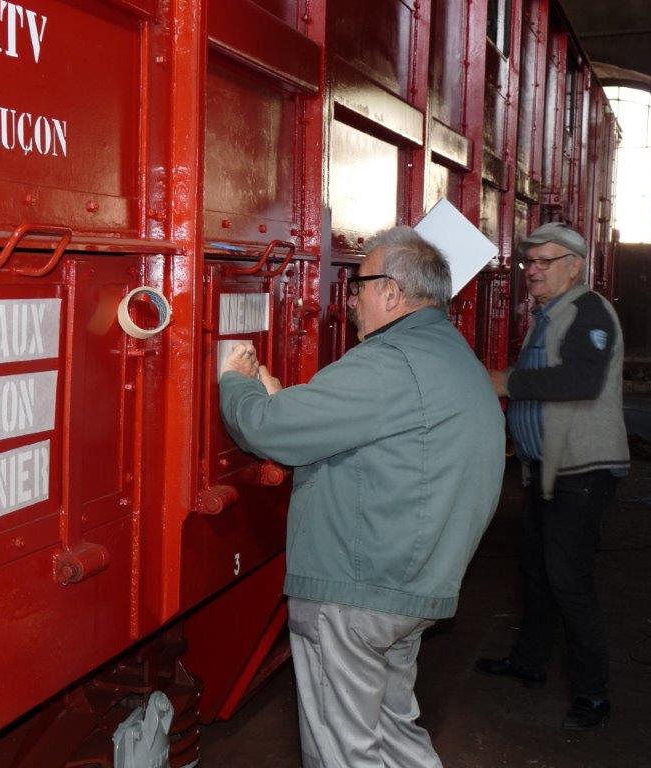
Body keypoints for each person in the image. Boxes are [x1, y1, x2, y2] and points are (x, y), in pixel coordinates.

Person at [219, 226, 505, 768]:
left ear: (392, 292)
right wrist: (297, 408)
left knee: (344, 751)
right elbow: (376, 439)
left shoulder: (388, 362)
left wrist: (238, 382)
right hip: (407, 587)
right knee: (393, 734)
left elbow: (266, 428)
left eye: (360, 285)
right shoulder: (447, 355)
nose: (352, 300)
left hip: (358, 592)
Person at [475, 222, 629, 730]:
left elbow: (581, 380)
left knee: (568, 580)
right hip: (548, 471)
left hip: (582, 472)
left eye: (544, 262)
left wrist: (506, 381)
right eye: (529, 262)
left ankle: (592, 694)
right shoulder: (550, 314)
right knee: (537, 573)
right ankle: (529, 663)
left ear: (575, 265)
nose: (533, 271)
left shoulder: (589, 311)